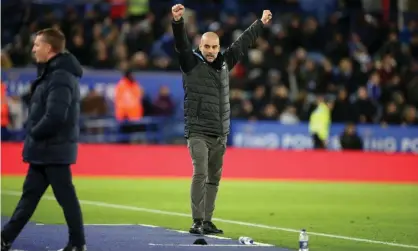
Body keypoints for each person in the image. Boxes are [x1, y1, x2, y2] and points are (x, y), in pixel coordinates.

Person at [171, 4, 272, 235]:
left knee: (214, 179)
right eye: (206, 46)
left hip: (220, 131)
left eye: (214, 46)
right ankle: (197, 221)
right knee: (200, 173)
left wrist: (260, 23)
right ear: (200, 45)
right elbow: (180, 44)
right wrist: (178, 23)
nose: (210, 50)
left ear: (219, 47)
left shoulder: (225, 62)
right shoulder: (191, 63)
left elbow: (243, 42)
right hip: (197, 130)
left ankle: (207, 220)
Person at [1, 28, 87, 251]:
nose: (33, 49)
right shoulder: (52, 74)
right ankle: (5, 238)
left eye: (37, 45)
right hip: (46, 149)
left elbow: (56, 115)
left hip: (53, 148)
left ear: (49, 48)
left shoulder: (60, 77)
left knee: (64, 197)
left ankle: (78, 243)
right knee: (30, 197)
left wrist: (32, 132)